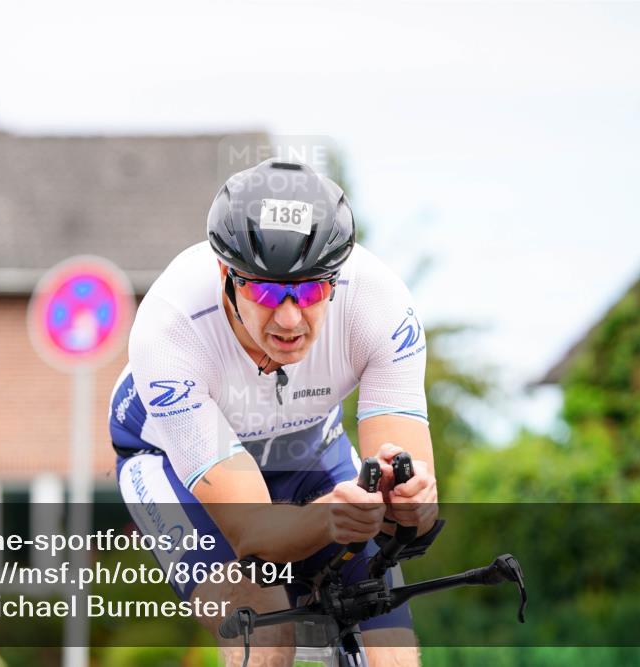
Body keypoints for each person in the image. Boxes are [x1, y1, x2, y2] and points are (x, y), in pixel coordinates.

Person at [110, 158, 438, 666]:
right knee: (261, 618)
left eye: (309, 290)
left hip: (310, 448)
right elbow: (256, 535)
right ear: (226, 275)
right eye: (265, 289)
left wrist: (410, 503)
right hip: (169, 461)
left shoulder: (380, 304)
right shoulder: (170, 326)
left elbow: (411, 508)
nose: (290, 318)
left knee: (388, 635)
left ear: (335, 279)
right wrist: (333, 520)